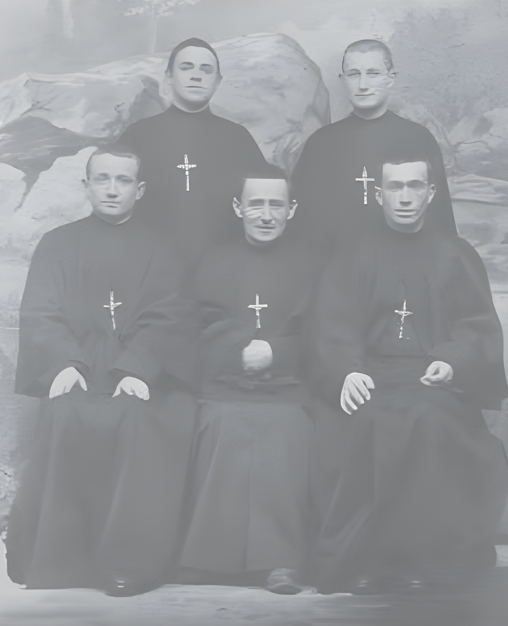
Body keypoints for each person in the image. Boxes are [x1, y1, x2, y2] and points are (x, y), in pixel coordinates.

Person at [309, 156, 508, 594]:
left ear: (430, 193)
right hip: (371, 377)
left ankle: (428, 557)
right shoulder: (353, 254)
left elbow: (478, 327)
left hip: (433, 380)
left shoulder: (456, 255)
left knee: (427, 419)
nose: (404, 196)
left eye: (414, 186)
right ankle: (368, 560)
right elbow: (333, 325)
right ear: (379, 194)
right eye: (395, 187)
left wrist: (453, 361)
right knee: (367, 420)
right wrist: (345, 371)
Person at [5, 145, 197, 595]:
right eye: (103, 179)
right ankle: (62, 558)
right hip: (80, 369)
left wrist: (137, 369)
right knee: (66, 413)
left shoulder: (164, 248)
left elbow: (170, 315)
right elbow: (41, 311)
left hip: (141, 378)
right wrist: (63, 364)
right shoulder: (57, 244)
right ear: (86, 186)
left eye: (123, 180)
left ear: (140, 189)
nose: (112, 189)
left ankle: (127, 562)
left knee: (136, 420)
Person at [178, 171, 315, 594]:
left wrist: (276, 352)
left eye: (277, 205)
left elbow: (325, 330)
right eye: (256, 204)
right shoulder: (214, 262)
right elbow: (197, 323)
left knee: (286, 429)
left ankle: (280, 561)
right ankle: (210, 560)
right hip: (226, 382)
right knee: (221, 423)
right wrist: (239, 346)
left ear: (292, 210)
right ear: (239, 208)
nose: (266, 215)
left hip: (289, 387)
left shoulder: (313, 264)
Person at [291, 39, 457, 265]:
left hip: (403, 268)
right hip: (335, 271)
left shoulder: (419, 139)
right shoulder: (320, 143)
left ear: (391, 78)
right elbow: (299, 225)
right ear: (342, 80)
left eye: (373, 73)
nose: (362, 85)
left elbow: (440, 221)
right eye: (353, 74)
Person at [120, 37, 271, 270]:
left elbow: (263, 208)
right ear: (168, 76)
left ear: (218, 81)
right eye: (186, 67)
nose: (196, 76)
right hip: (149, 273)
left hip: (223, 273)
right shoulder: (137, 135)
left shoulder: (238, 138)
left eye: (206, 69)